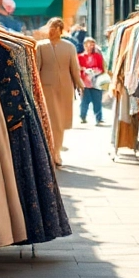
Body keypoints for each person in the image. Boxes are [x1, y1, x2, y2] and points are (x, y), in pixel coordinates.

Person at [35, 16, 83, 166]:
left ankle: (56, 151)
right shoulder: (41, 46)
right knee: (50, 121)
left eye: (55, 29)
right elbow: (36, 68)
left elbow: (74, 68)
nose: (51, 32)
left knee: (60, 123)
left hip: (65, 89)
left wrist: (79, 84)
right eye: (50, 28)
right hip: (46, 88)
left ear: (60, 30)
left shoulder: (69, 47)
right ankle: (51, 152)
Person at [77, 37, 105, 125]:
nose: (90, 46)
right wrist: (83, 70)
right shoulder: (80, 56)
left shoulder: (98, 56)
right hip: (84, 82)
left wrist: (95, 71)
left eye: (92, 44)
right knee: (84, 101)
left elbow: (102, 68)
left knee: (97, 100)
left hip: (96, 81)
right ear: (84, 45)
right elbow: (77, 68)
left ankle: (99, 118)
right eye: (88, 44)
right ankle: (83, 116)